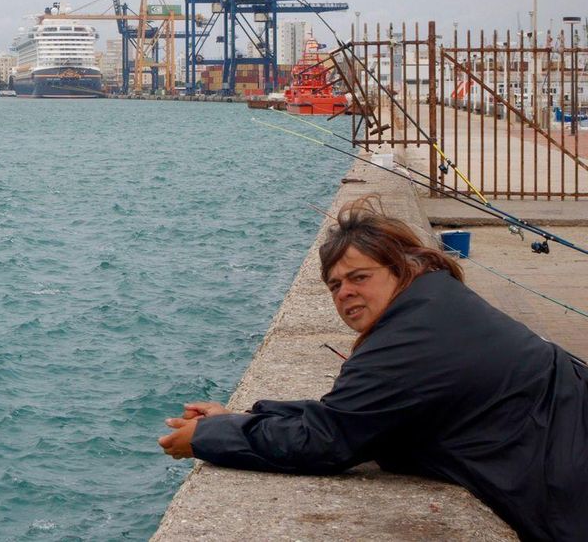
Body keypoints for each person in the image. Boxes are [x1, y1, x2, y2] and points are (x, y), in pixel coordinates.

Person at [157, 198, 588, 542]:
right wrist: (245, 419)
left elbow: (325, 441)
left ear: (399, 269)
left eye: (359, 277)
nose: (345, 293)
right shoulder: (435, 303)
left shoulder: (409, 343)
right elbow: (358, 414)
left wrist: (208, 438)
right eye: (335, 285)